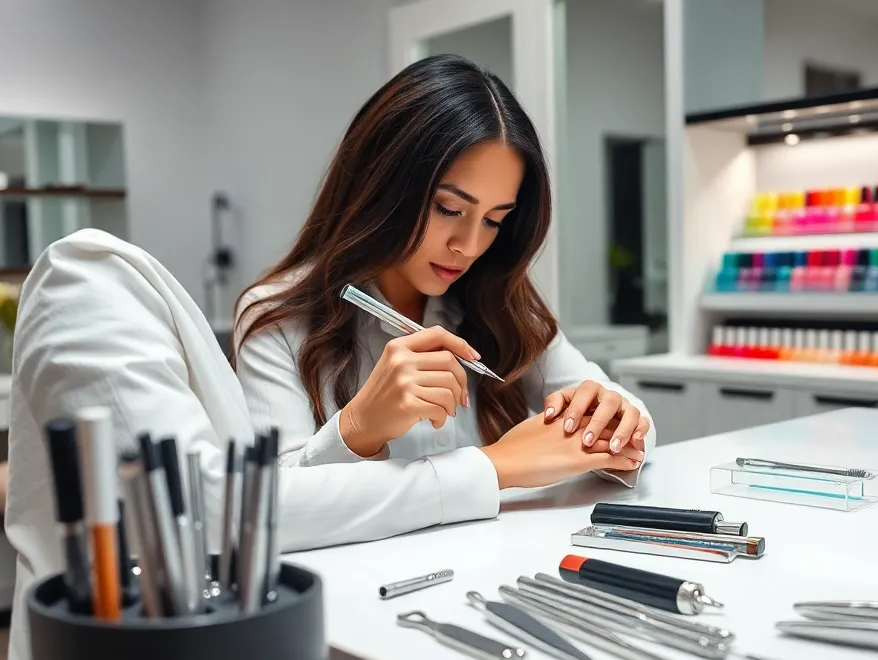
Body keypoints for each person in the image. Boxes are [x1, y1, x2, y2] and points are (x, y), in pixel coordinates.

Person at [235, 53, 655, 545]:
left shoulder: (502, 303)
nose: (469, 246)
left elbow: (635, 429)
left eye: (495, 219)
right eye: (449, 208)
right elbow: (271, 514)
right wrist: (360, 428)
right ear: (380, 185)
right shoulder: (276, 317)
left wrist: (615, 418)